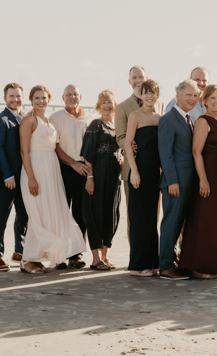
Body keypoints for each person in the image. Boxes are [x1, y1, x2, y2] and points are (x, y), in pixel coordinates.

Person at [19, 86, 85, 274]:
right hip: (36, 170)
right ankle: (26, 259)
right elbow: (24, 152)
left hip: (52, 171)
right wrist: (31, 178)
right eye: (37, 98)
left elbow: (57, 149)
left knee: (49, 213)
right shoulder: (29, 120)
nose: (41, 101)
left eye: (44, 98)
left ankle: (37, 258)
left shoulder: (48, 121)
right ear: (31, 100)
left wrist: (73, 164)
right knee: (37, 214)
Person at [178, 85, 217, 278]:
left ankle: (214, 265)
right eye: (212, 98)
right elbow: (196, 152)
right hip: (208, 176)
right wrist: (203, 179)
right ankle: (199, 266)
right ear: (204, 101)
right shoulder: (202, 121)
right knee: (205, 219)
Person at [157, 79, 200, 279]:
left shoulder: (188, 119)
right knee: (171, 223)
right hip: (175, 182)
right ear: (178, 96)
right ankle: (165, 266)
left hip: (188, 181)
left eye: (195, 95)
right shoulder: (168, 119)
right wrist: (172, 181)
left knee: (179, 223)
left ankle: (171, 261)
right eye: (189, 95)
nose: (192, 98)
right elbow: (165, 153)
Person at [49, 85, 92, 269]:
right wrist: (73, 164)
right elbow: (55, 146)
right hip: (64, 168)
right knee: (61, 213)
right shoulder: (55, 118)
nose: (72, 97)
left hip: (84, 170)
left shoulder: (90, 118)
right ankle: (59, 255)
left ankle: (76, 254)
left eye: (75, 94)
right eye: (68, 95)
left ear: (80, 96)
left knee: (80, 214)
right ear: (63, 97)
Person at [81, 90, 123, 271]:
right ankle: (95, 258)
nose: (107, 106)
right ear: (99, 106)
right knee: (95, 214)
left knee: (112, 215)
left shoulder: (117, 125)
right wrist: (90, 178)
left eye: (110, 102)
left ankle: (105, 256)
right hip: (97, 175)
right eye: (104, 103)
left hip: (114, 177)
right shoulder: (95, 124)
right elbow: (88, 154)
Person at [124, 79, 162, 276]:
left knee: (150, 218)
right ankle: (138, 266)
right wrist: (134, 171)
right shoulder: (134, 116)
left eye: (152, 93)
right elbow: (128, 143)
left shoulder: (159, 118)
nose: (149, 96)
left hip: (155, 173)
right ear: (140, 95)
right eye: (145, 92)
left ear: (157, 95)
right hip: (139, 172)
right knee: (138, 218)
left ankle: (152, 261)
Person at [0, 83, 28, 271]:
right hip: (7, 179)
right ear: (5, 98)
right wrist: (7, 176)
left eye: (18, 96)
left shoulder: (26, 119)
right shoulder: (1, 119)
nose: (15, 99)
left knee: (24, 216)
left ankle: (19, 252)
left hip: (24, 178)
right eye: (11, 96)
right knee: (1, 217)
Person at [116, 66, 165, 204]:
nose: (138, 80)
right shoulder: (122, 107)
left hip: (154, 166)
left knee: (153, 213)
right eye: (134, 78)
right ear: (129, 81)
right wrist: (130, 144)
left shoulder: (159, 104)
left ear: (146, 79)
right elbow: (120, 136)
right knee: (134, 216)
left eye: (141, 77)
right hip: (132, 166)